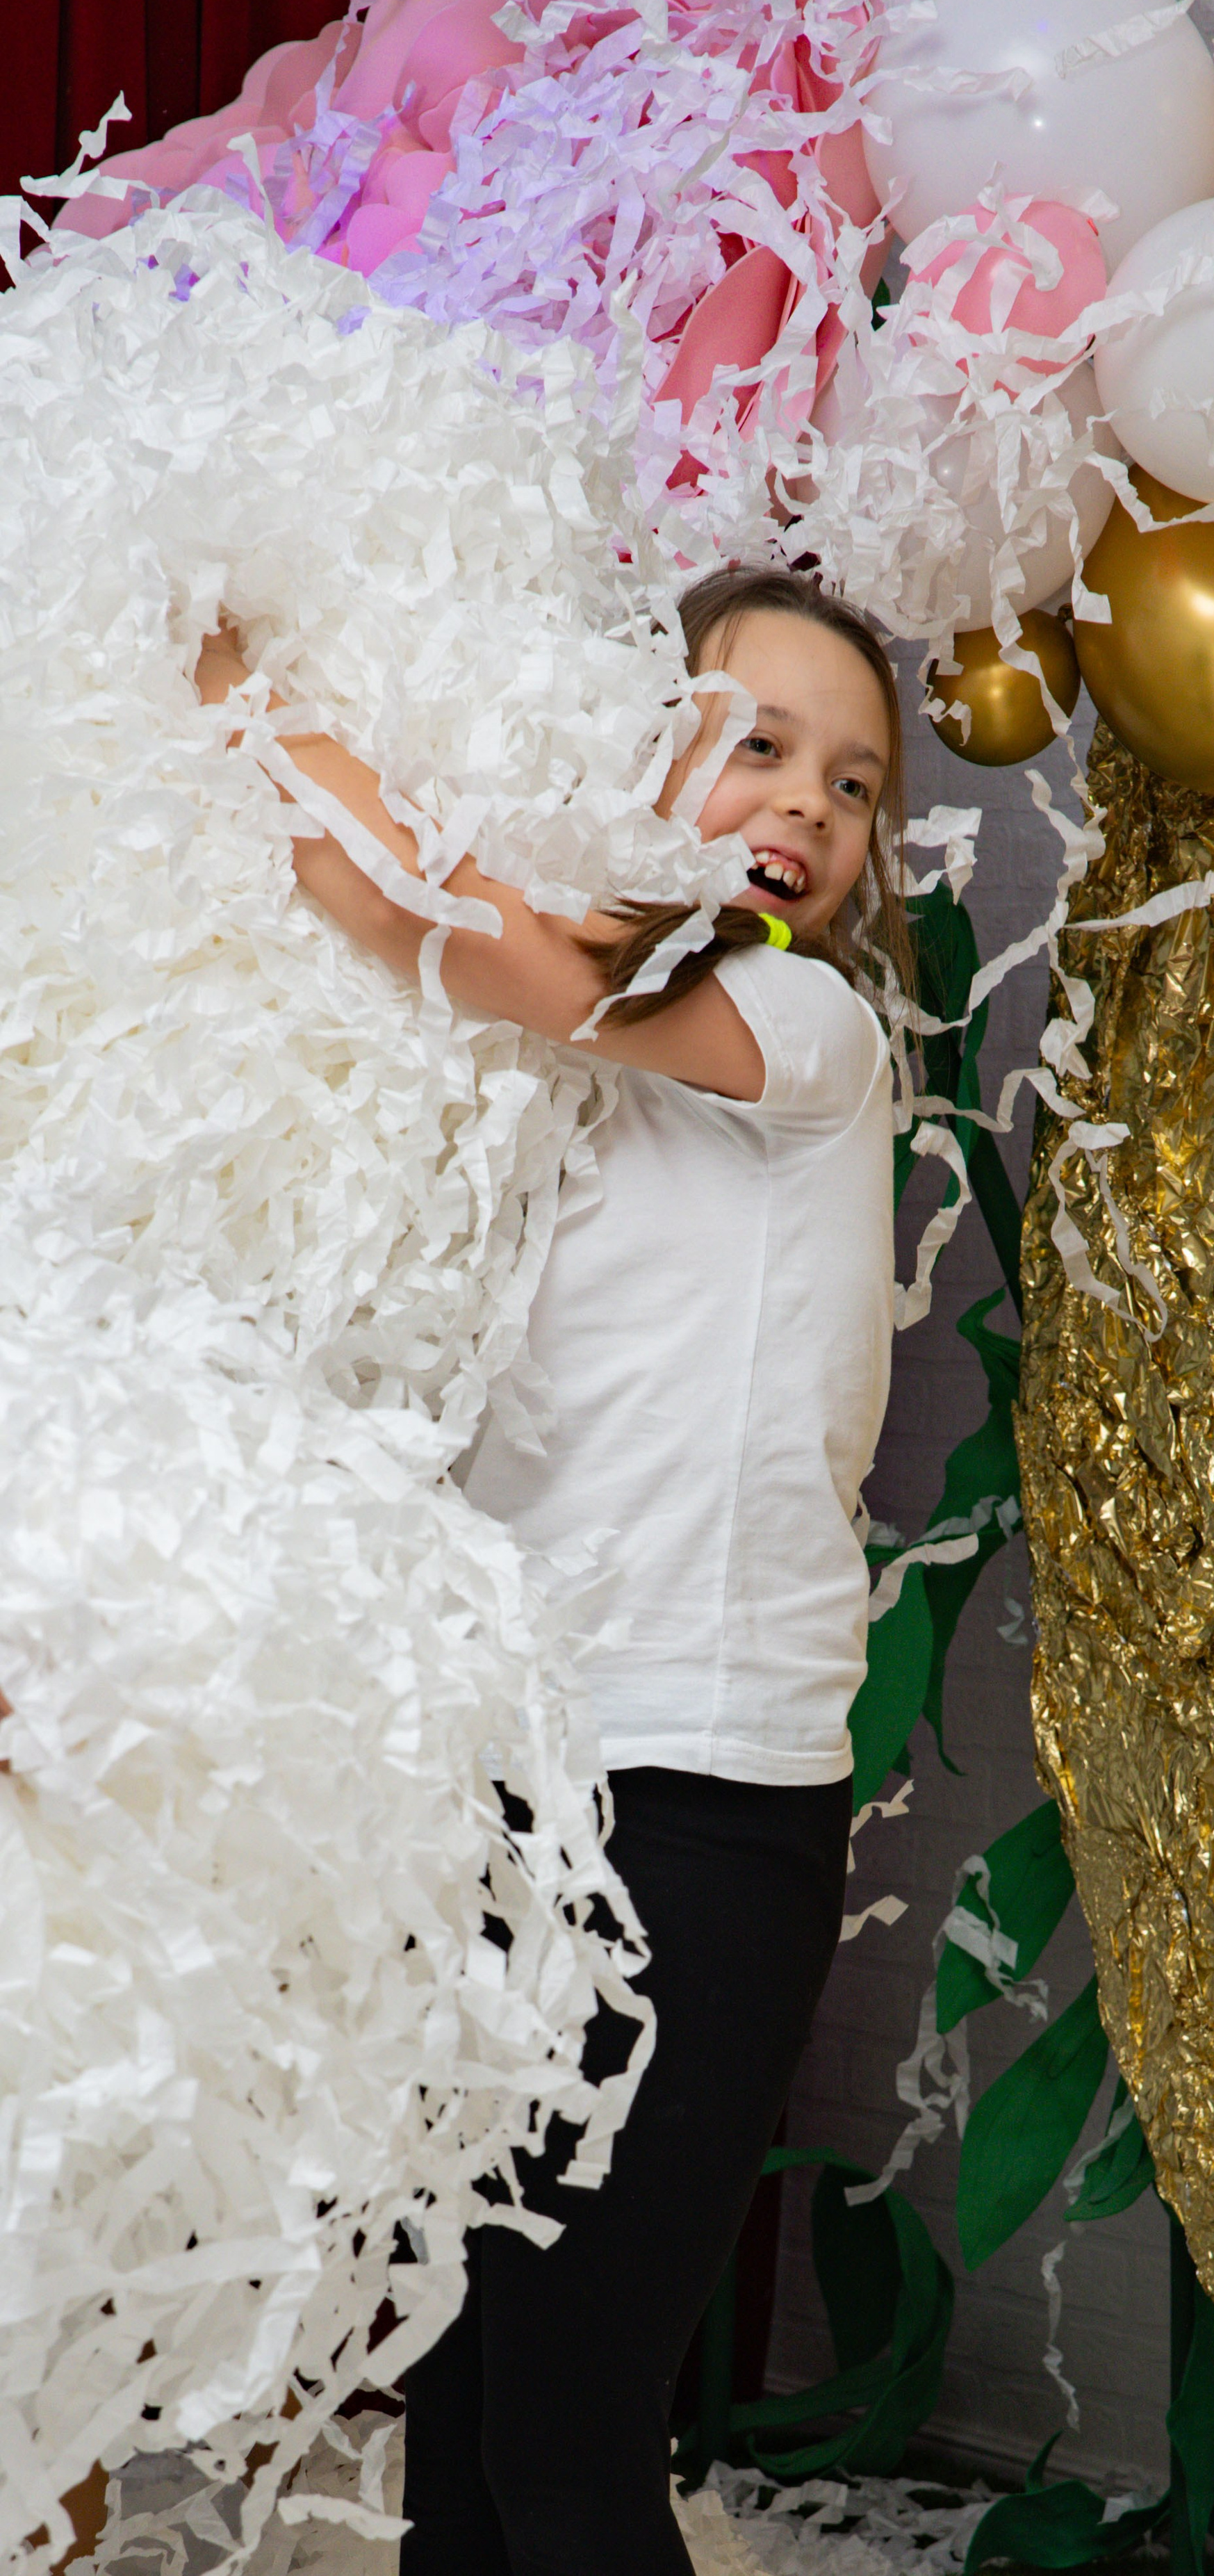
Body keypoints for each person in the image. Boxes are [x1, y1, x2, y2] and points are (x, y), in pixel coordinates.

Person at [195, 562, 905, 2576]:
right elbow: (408, 943)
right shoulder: (547, 1092)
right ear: (630, 748)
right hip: (511, 1803)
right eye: (757, 743)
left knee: (581, 2451)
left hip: (703, 1807)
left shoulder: (801, 1020)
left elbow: (443, 923)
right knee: (472, 2448)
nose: (809, 808)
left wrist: (238, 690)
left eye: (853, 784)